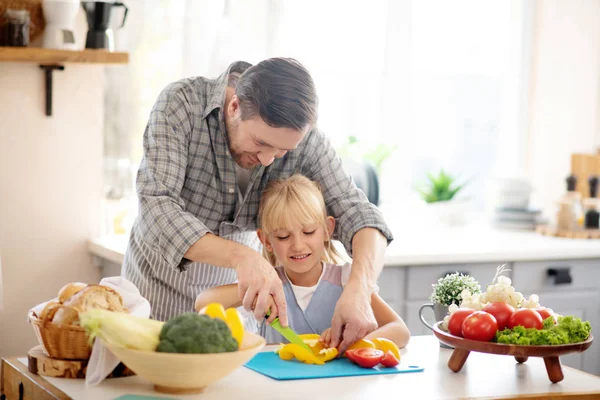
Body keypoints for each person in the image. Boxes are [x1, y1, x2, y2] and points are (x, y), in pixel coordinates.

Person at [122, 57, 394, 352]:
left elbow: (360, 214)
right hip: (156, 287)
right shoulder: (182, 105)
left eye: (282, 151)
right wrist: (243, 258)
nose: (267, 159)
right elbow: (156, 207)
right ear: (234, 107)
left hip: (237, 305)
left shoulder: (308, 142)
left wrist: (359, 289)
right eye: (261, 143)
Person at [195, 175, 410, 348]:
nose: (298, 245)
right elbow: (203, 303)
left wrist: (353, 345)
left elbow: (400, 331)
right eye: (283, 237)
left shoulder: (346, 279)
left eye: (308, 232)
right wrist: (255, 289)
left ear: (327, 229)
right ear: (266, 240)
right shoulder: (268, 283)